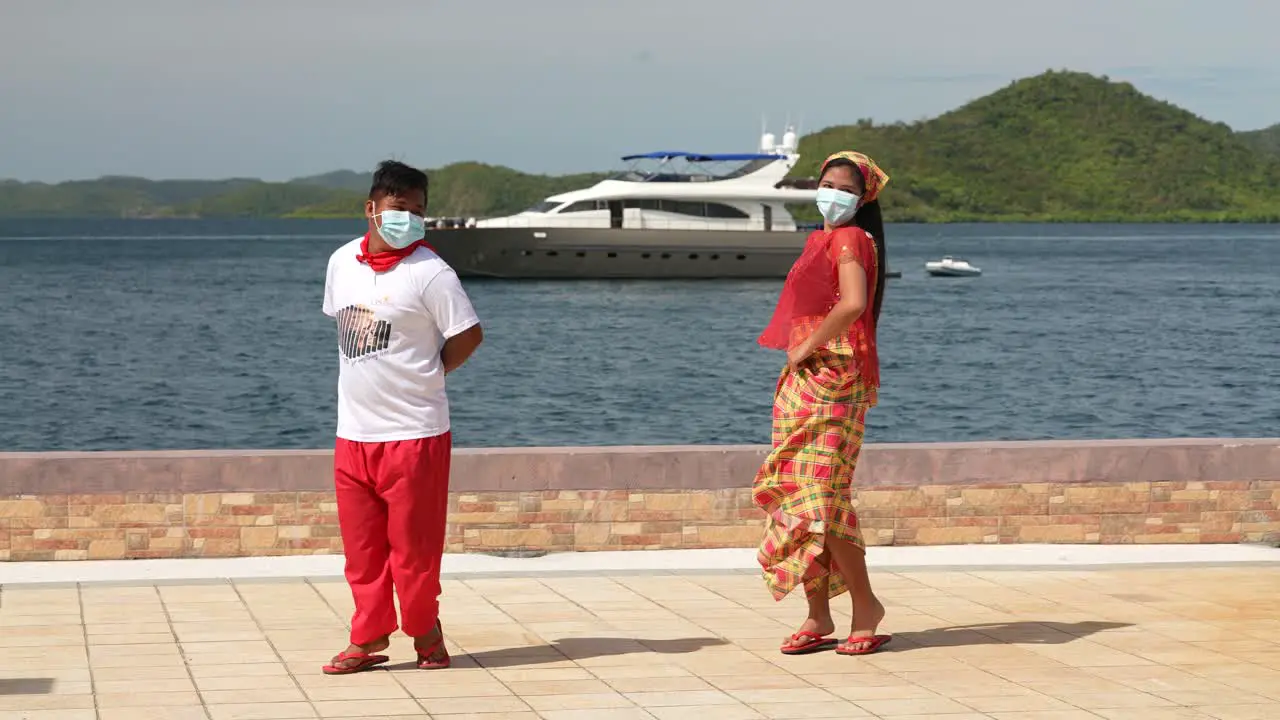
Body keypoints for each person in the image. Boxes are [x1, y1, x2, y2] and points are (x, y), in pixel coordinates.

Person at [320, 160, 484, 674]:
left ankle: (425, 633)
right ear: (372, 209)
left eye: (418, 210)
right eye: (399, 208)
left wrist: (434, 371)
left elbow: (469, 334)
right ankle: (367, 638)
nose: (409, 218)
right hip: (354, 435)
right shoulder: (342, 262)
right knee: (363, 552)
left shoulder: (432, 272)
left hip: (415, 434)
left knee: (414, 552)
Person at [754, 150, 891, 657]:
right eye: (826, 183)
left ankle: (865, 607)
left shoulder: (852, 238)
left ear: (864, 197)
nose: (832, 194)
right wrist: (800, 357)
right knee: (800, 497)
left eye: (846, 188)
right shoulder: (824, 239)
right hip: (804, 381)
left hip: (835, 379)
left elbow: (853, 304)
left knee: (821, 499)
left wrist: (807, 347)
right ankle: (818, 613)